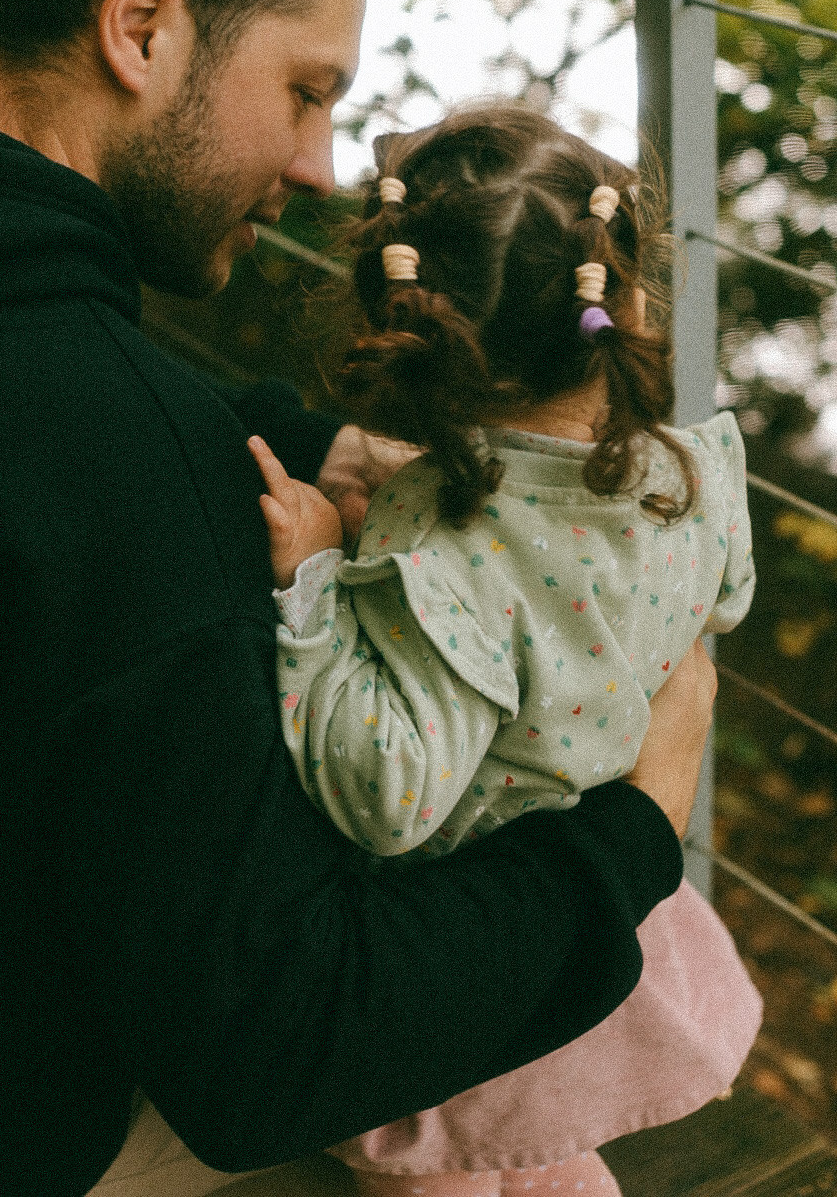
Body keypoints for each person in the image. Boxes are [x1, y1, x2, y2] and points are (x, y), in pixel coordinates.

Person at [0, 0, 714, 1197]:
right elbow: (278, 1046)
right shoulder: (115, 479)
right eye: (307, 89)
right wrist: (634, 827)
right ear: (142, 24)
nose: (322, 169)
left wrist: (285, 437)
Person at [248, 106, 761, 1197]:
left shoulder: (437, 550)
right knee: (550, 1162)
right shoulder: (695, 471)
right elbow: (729, 596)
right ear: (618, 295)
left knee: (455, 1176)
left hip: (468, 964)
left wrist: (315, 585)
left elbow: (387, 791)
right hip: (601, 922)